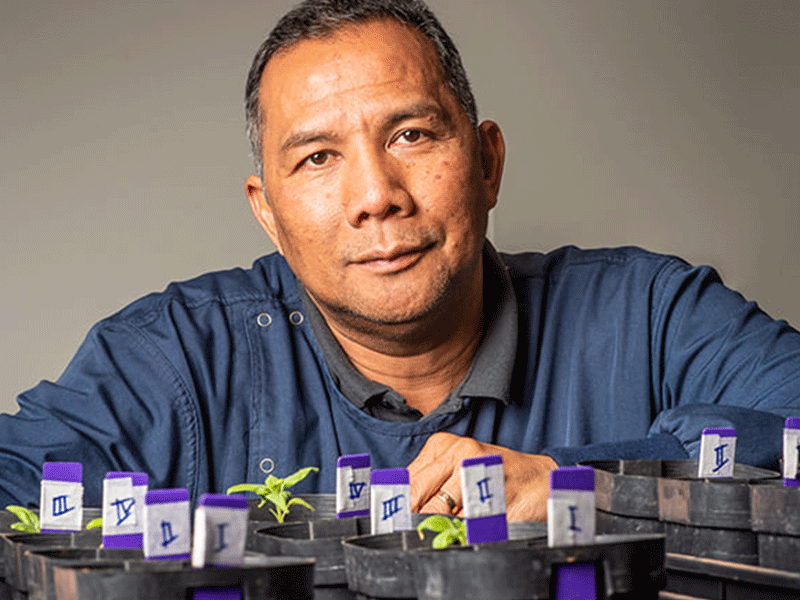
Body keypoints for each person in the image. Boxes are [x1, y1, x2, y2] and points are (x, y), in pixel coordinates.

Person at [1, 0, 799, 521]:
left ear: (487, 162)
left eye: (412, 135)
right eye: (317, 158)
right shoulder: (172, 361)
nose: (376, 195)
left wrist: (574, 483)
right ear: (267, 213)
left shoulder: (650, 316)